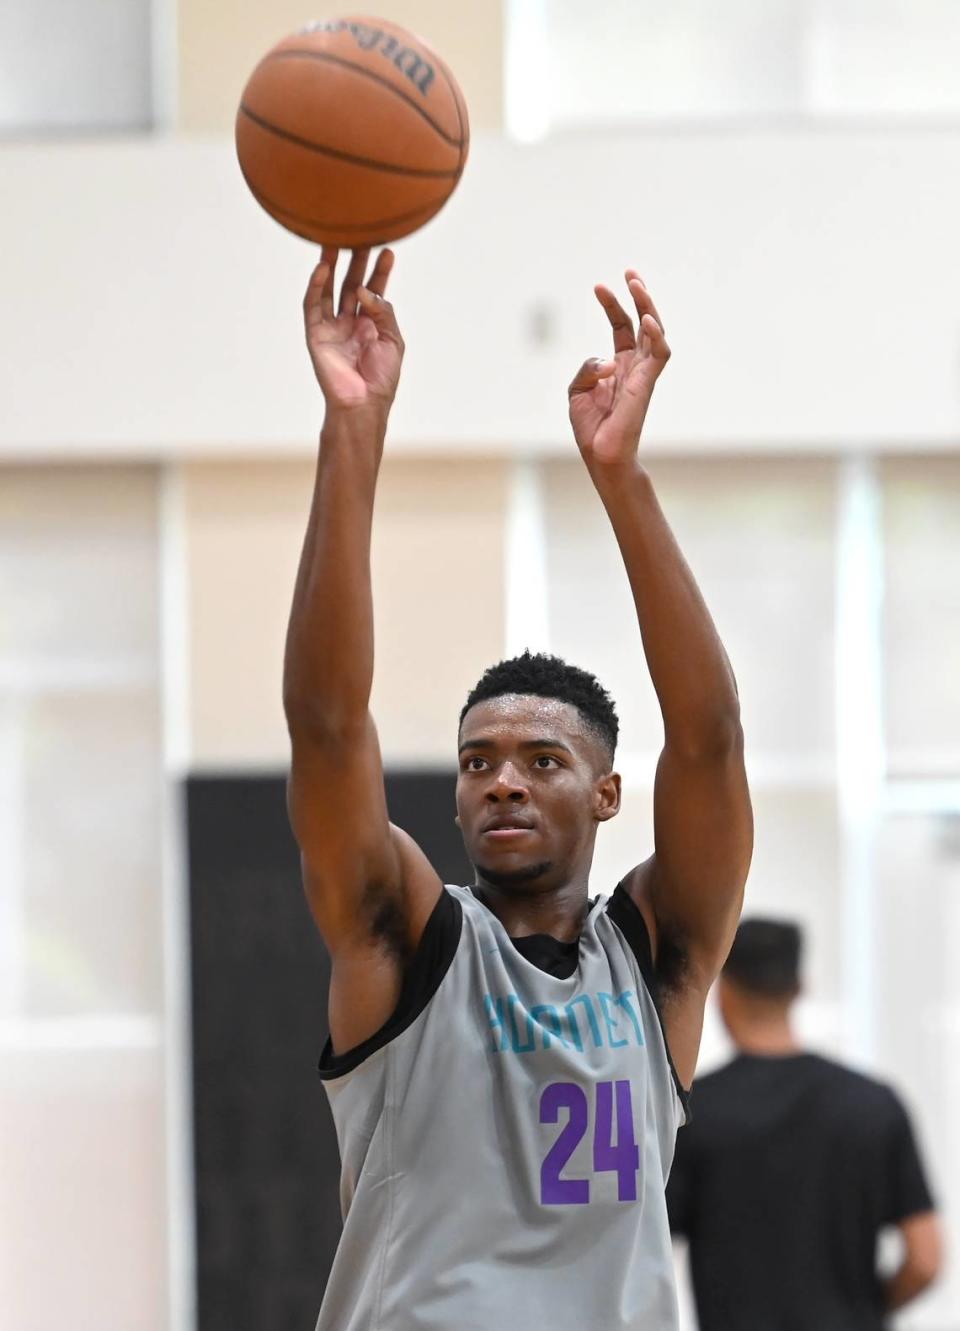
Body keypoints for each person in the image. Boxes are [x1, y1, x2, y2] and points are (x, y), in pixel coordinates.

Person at [282, 244, 753, 1331]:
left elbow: (714, 740)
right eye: (478, 761)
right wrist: (353, 432)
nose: (503, 781)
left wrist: (621, 480)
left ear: (606, 793)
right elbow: (324, 724)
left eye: (543, 761)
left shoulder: (657, 958)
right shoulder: (404, 937)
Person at [667, 917, 943, 1331]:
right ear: (800, 988)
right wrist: (867, 1312)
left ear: (723, 994)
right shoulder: (873, 1103)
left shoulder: (691, 1113)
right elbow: (925, 1259)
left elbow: (644, 1247)